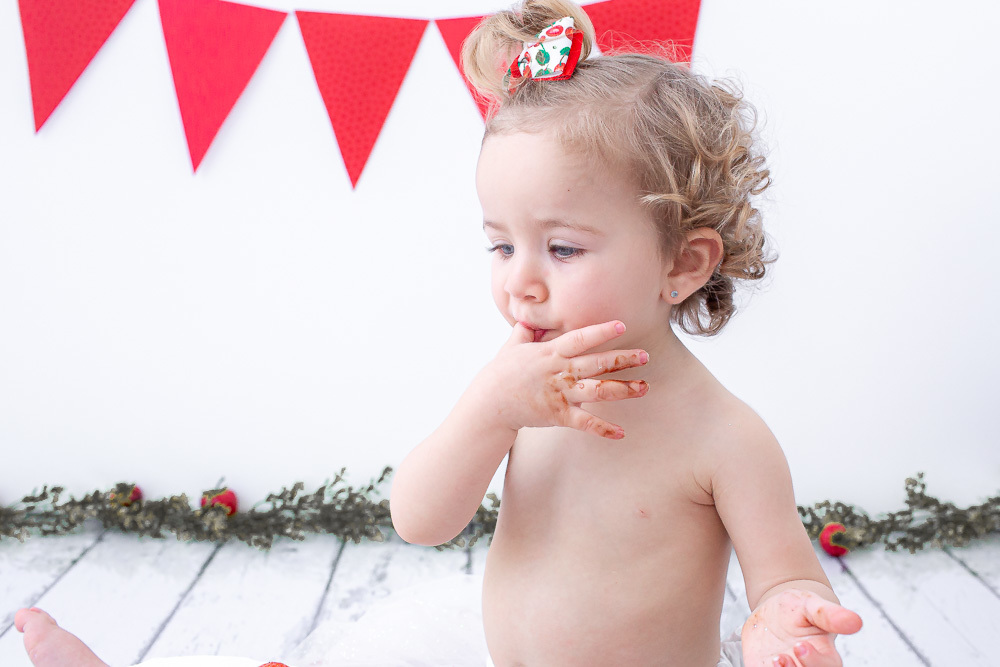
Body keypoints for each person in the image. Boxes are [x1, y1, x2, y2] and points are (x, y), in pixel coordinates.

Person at [389, 1, 863, 665]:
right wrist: (488, 411)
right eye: (501, 246)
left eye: (562, 248)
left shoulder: (724, 435)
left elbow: (785, 573)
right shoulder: (518, 386)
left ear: (682, 263)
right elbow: (419, 520)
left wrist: (787, 613)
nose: (520, 280)